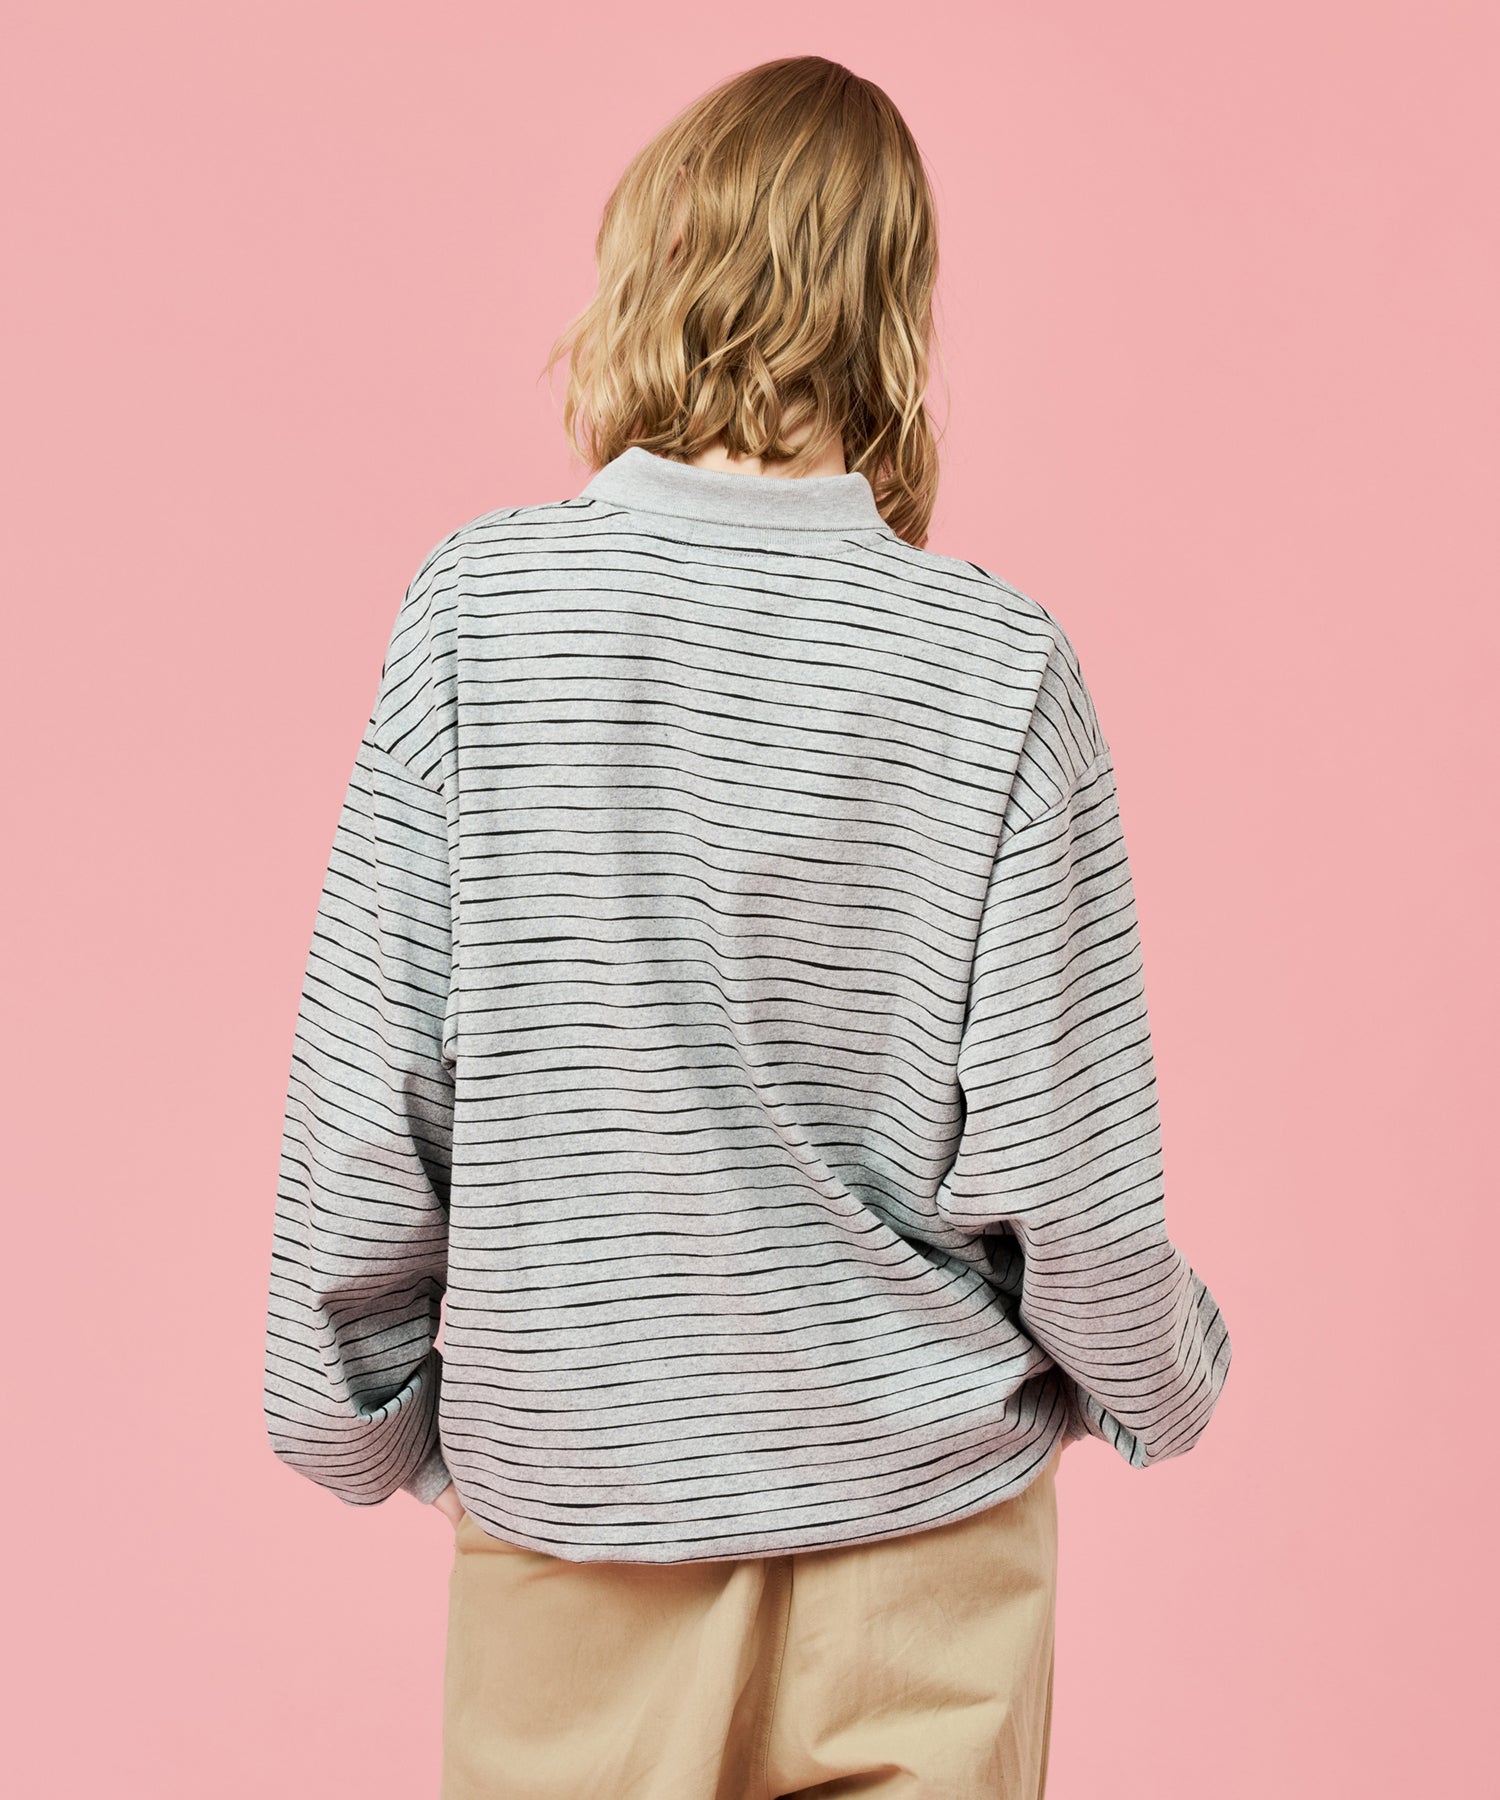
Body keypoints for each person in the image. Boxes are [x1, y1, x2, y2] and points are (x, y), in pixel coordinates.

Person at [263, 53, 1231, 1800]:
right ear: (896, 315)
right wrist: (1168, 1386)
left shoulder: (481, 615)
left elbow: (373, 1102)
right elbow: (1067, 1172)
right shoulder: (997, 667)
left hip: (578, 1536)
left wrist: (359, 1418)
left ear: (653, 262)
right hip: (923, 1549)